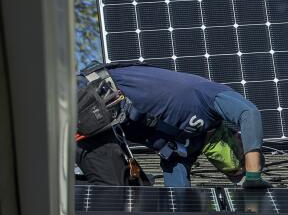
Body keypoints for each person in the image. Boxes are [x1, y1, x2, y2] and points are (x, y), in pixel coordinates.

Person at [75, 63, 271, 188]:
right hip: (88, 99)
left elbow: (176, 198)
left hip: (95, 129)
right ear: (237, 136)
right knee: (118, 195)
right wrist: (253, 175)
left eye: (236, 171)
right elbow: (248, 112)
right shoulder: (207, 98)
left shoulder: (184, 146)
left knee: (132, 195)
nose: (233, 167)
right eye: (242, 162)